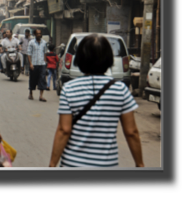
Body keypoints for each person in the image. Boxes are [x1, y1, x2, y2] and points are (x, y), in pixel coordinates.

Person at [49, 34, 144, 168]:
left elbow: (64, 130)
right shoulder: (120, 90)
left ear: (80, 59)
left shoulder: (69, 89)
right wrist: (140, 164)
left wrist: (52, 164)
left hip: (72, 164)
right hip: (106, 165)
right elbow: (131, 132)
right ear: (109, 59)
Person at [27, 29, 47, 102]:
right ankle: (30, 93)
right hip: (34, 64)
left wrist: (45, 62)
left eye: (40, 33)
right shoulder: (31, 42)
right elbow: (29, 54)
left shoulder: (44, 43)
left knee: (42, 79)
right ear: (35, 34)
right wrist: (30, 64)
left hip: (42, 64)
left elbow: (45, 53)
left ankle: (41, 96)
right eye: (38, 33)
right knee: (33, 79)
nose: (39, 35)